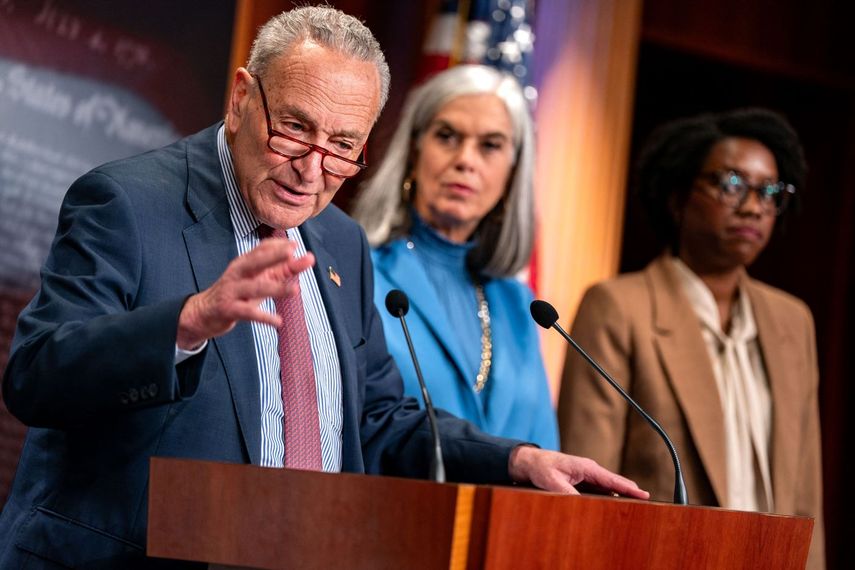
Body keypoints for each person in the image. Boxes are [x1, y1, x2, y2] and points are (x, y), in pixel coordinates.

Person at [0, 6, 646, 568]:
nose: (312, 170)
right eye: (295, 129)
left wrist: (516, 461)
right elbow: (36, 374)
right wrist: (187, 324)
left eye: (343, 146)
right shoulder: (128, 201)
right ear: (240, 97)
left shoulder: (339, 241)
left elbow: (377, 419)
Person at [557, 108, 824, 568]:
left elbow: (806, 491)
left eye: (769, 191)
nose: (754, 206)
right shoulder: (619, 307)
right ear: (677, 197)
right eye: (731, 184)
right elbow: (591, 488)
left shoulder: (792, 321)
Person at [352, 65, 558, 449]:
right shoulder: (360, 273)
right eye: (447, 136)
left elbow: (546, 450)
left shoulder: (519, 305)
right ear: (414, 150)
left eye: (490, 145)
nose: (466, 160)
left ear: (513, 172)